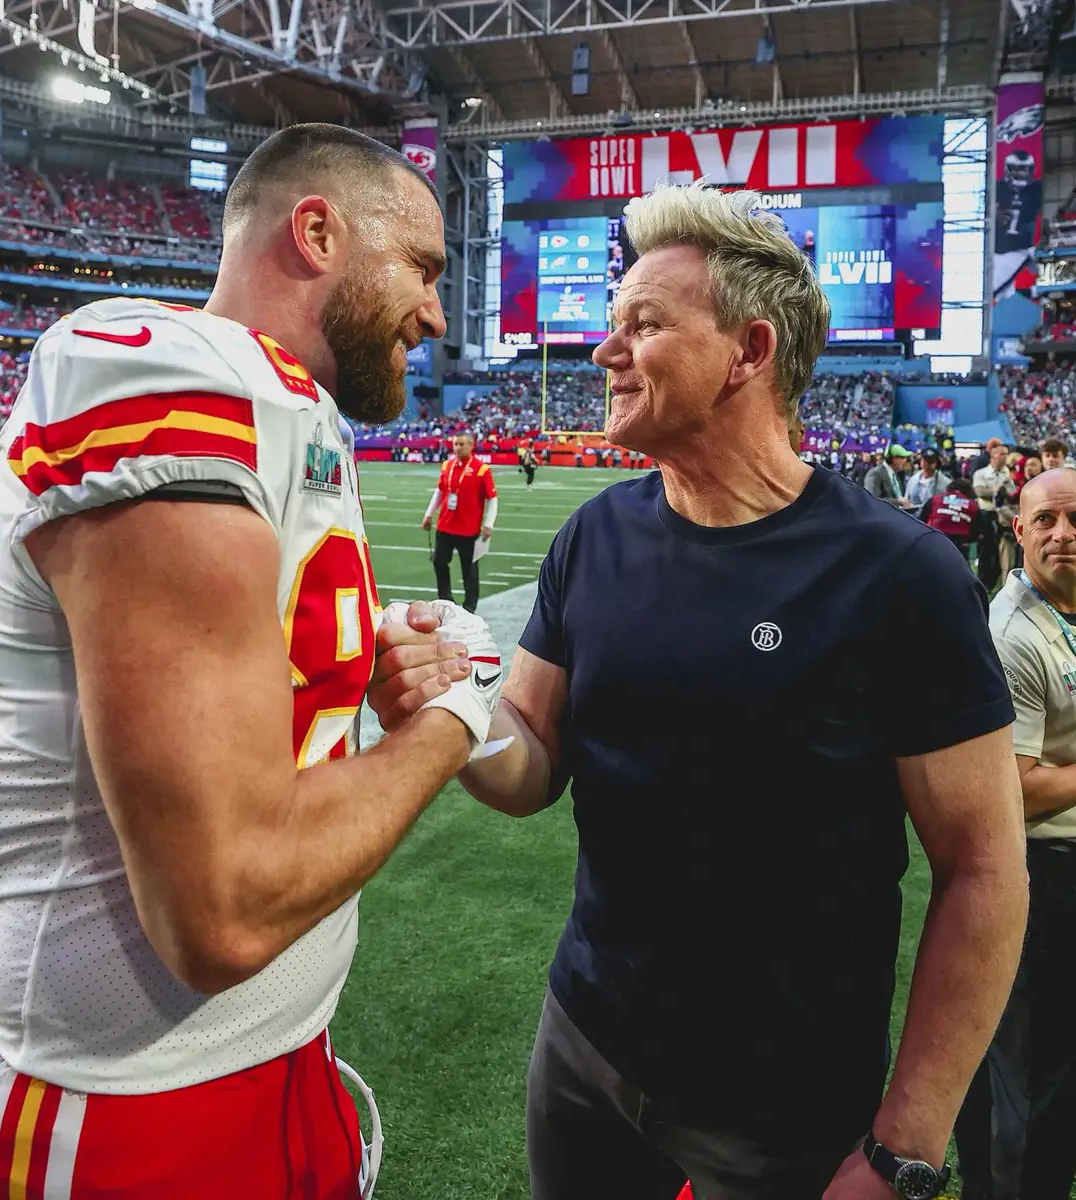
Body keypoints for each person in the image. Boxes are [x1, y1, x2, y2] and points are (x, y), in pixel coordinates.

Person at [374, 180, 1029, 1200]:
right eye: (612, 322)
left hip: (785, 1102)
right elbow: (532, 761)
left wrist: (907, 1143)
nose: (605, 350)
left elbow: (985, 870)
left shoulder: (898, 573)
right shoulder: (596, 536)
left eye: (643, 324)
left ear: (749, 353)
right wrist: (453, 710)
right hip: (585, 1043)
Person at [0, 124, 505, 1200]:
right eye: (422, 267)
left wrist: (357, 662)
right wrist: (458, 712)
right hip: (119, 1114)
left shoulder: (287, 412)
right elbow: (222, 910)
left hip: (285, 1063)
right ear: (318, 231)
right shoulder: (158, 365)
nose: (434, 310)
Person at [957, 468, 1076, 1200]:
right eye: (1047, 521)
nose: (1063, 535)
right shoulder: (1014, 633)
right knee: (1032, 1074)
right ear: (1019, 531)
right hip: (1039, 874)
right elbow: (1017, 789)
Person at [422, 431, 498, 613]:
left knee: (469, 570)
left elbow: (492, 498)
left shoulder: (482, 469)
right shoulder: (447, 465)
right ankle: (445, 599)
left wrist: (489, 524)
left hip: (469, 529)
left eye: (461, 444)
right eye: (455, 444)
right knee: (439, 562)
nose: (457, 447)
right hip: (445, 525)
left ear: (471, 446)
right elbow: (440, 491)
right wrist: (428, 514)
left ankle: (470, 606)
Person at [974, 445, 1016, 591]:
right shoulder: (981, 473)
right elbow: (979, 491)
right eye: (1002, 454)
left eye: (1006, 454)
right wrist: (996, 491)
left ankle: (999, 577)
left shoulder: (1008, 473)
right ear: (993, 457)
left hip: (1005, 515)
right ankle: (984, 581)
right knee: (987, 548)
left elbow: (1013, 493)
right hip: (987, 513)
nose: (1005, 457)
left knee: (1003, 549)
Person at [925, 477, 982, 564]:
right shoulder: (972, 505)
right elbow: (977, 529)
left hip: (936, 540)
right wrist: (968, 540)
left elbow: (921, 521)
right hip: (959, 544)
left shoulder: (934, 500)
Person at [864, 443, 916, 509]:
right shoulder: (875, 473)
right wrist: (898, 501)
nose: (905, 461)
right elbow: (873, 499)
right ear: (894, 459)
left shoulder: (894, 474)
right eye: (902, 457)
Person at [905, 447, 950, 514]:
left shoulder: (945, 482)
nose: (926, 463)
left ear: (936, 463)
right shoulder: (913, 480)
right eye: (924, 460)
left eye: (930, 461)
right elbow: (907, 499)